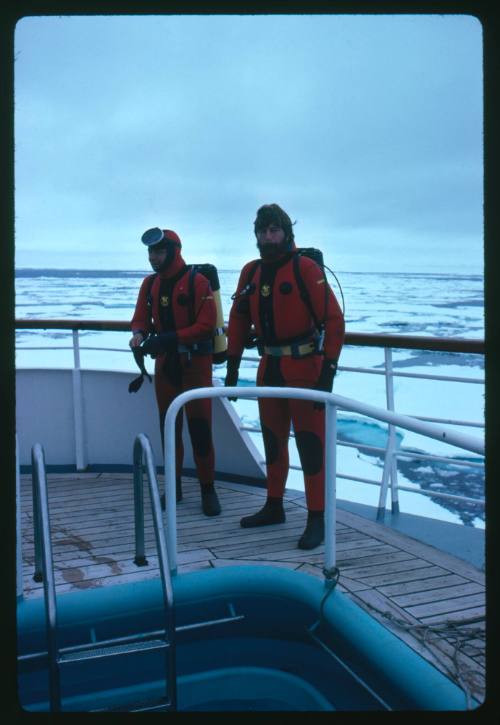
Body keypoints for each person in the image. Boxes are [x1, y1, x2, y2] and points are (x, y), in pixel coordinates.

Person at [224, 204, 344, 549]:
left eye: (274, 231)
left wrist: (329, 370)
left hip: (305, 368)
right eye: (262, 232)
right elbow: (237, 319)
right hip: (270, 368)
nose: (267, 237)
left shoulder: (304, 268)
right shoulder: (251, 272)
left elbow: (334, 321)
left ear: (287, 232)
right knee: (273, 441)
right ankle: (274, 506)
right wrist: (232, 365)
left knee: (310, 446)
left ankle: (317, 518)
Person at [129, 227, 221, 516]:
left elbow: (206, 325)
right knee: (169, 428)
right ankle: (175, 487)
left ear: (174, 251)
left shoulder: (198, 282)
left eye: (159, 251)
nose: (153, 258)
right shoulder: (150, 285)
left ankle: (208, 489)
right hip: (166, 366)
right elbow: (140, 318)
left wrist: (167, 338)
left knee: (200, 430)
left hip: (195, 366)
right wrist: (138, 335)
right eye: (151, 253)